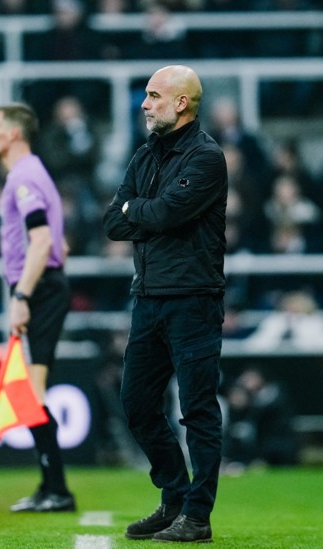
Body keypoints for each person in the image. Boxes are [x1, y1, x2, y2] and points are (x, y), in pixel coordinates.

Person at [102, 65, 227, 543]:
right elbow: (115, 221)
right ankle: (174, 495)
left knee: (197, 409)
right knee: (135, 403)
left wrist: (141, 209)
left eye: (153, 96)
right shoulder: (146, 155)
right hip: (148, 298)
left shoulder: (206, 158)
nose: (144, 104)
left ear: (181, 103)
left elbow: (168, 212)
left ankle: (197, 516)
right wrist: (144, 212)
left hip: (194, 299)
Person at [0, 102, 75, 513]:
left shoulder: (22, 177)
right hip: (44, 287)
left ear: (13, 134)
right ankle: (51, 486)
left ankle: (57, 490)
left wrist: (22, 296)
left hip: (39, 291)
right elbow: (59, 242)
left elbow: (41, 241)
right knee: (27, 391)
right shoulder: (34, 174)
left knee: (32, 393)